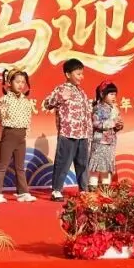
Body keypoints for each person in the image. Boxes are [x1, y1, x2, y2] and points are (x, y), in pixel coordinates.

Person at [43, 58, 92, 201]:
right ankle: (56, 190)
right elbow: (46, 103)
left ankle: (84, 190)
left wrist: (89, 131)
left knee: (82, 164)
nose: (81, 77)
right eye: (78, 74)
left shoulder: (81, 92)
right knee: (63, 162)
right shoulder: (61, 89)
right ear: (68, 74)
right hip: (68, 133)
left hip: (82, 134)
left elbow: (87, 112)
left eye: (82, 74)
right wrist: (60, 97)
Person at [0, 69, 36, 203]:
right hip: (9, 133)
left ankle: (23, 192)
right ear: (9, 83)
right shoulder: (4, 100)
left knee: (20, 166)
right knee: (2, 165)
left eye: (23, 82)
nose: (21, 85)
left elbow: (28, 119)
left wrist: (25, 133)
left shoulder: (26, 101)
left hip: (21, 135)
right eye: (17, 82)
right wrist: (0, 111)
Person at [88, 81, 123, 188]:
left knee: (107, 165)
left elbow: (116, 125)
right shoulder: (98, 108)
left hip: (110, 142)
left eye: (115, 94)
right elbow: (96, 123)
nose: (114, 97)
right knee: (96, 165)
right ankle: (92, 187)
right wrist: (113, 123)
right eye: (111, 94)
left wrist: (119, 125)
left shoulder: (114, 108)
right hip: (99, 141)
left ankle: (105, 187)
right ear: (102, 94)